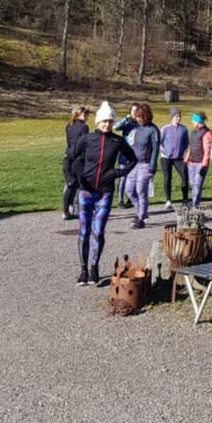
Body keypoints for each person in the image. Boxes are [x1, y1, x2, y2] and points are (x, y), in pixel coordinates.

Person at [70, 101, 138, 286]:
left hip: (105, 193)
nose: (107, 124)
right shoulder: (87, 139)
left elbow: (133, 159)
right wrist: (74, 179)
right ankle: (83, 270)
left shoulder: (117, 141)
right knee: (84, 232)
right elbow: (71, 157)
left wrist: (118, 172)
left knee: (98, 232)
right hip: (85, 191)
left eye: (110, 121)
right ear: (98, 122)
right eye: (103, 121)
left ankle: (94, 267)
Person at [126, 102, 159, 228]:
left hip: (145, 164)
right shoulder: (136, 129)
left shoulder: (153, 130)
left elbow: (155, 149)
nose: (138, 119)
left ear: (147, 116)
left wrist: (152, 167)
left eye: (141, 117)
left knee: (141, 190)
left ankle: (141, 218)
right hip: (134, 164)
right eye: (137, 117)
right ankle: (140, 210)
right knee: (129, 190)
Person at [61, 105, 89, 220]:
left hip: (68, 155)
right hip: (79, 157)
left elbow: (68, 142)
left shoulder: (69, 125)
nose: (87, 117)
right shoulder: (84, 127)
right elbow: (85, 142)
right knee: (82, 185)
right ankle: (79, 209)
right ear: (82, 114)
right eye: (87, 114)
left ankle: (66, 211)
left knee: (70, 185)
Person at [159, 108, 190, 208]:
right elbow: (159, 143)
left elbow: (187, 143)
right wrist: (165, 151)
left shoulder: (184, 129)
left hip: (179, 158)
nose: (179, 118)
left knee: (185, 175)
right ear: (172, 117)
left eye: (180, 116)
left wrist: (185, 152)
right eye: (177, 116)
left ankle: (185, 199)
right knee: (167, 177)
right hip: (166, 157)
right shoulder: (165, 128)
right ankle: (168, 200)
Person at [114, 104, 141, 208]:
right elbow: (116, 127)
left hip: (136, 154)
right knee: (123, 177)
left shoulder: (139, 123)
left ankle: (131, 199)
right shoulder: (126, 122)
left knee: (134, 177)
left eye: (136, 110)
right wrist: (126, 118)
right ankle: (120, 200)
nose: (134, 112)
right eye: (133, 110)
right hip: (125, 153)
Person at [186, 112, 212, 209]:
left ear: (198, 121)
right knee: (192, 184)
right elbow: (191, 146)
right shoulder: (193, 132)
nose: (192, 122)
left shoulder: (207, 133)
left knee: (197, 185)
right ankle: (194, 202)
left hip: (200, 163)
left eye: (193, 120)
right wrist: (186, 159)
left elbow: (207, 150)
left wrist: (204, 165)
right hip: (191, 162)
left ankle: (195, 205)